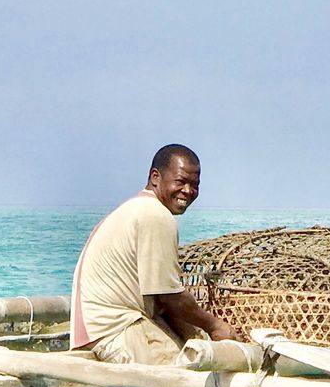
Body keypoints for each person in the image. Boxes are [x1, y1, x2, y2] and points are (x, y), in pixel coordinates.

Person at [70, 144, 237, 365]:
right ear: (155, 177)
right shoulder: (156, 215)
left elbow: (160, 299)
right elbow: (169, 296)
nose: (188, 191)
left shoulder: (135, 208)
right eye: (180, 181)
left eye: (194, 185)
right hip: (117, 330)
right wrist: (216, 327)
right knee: (186, 379)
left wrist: (197, 335)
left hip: (93, 330)